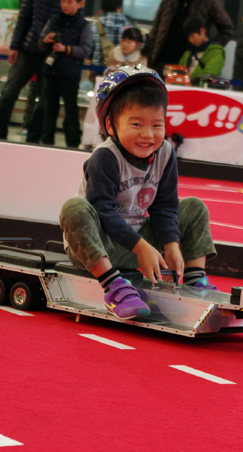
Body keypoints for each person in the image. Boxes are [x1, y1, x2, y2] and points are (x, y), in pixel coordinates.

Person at [59, 66, 217, 319]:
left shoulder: (165, 153)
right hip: (98, 247)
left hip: (138, 243)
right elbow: (103, 211)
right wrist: (141, 247)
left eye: (157, 124)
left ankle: (194, 279)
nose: (148, 134)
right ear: (110, 125)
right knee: (73, 208)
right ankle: (113, 286)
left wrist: (171, 243)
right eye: (136, 124)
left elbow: (164, 206)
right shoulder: (105, 157)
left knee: (194, 207)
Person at [0, 0, 62, 141]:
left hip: (51, 54)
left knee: (44, 100)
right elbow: (23, 19)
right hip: (27, 50)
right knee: (9, 92)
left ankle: (33, 138)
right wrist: (14, 46)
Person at [36, 0, 93, 148]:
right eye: (62, 1)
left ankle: (72, 145)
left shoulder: (84, 25)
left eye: (69, 2)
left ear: (80, 3)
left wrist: (66, 49)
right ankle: (46, 142)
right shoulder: (53, 21)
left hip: (70, 74)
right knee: (49, 109)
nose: (65, 5)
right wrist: (45, 40)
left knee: (71, 111)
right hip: (51, 71)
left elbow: (86, 50)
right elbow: (40, 44)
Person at [144, 0, 234, 76]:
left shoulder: (209, 2)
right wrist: (150, 51)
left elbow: (227, 29)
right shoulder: (168, 2)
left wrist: (210, 48)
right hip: (162, 59)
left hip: (189, 61)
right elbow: (155, 27)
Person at [178, 16, 225, 83]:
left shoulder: (216, 51)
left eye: (192, 36)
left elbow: (210, 74)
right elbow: (178, 71)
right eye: (188, 37)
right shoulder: (188, 53)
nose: (190, 40)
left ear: (202, 31)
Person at [89, 0, 132, 68]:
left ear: (102, 8)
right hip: (121, 70)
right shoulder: (129, 27)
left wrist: (90, 70)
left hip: (98, 69)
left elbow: (89, 52)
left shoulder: (94, 26)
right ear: (119, 8)